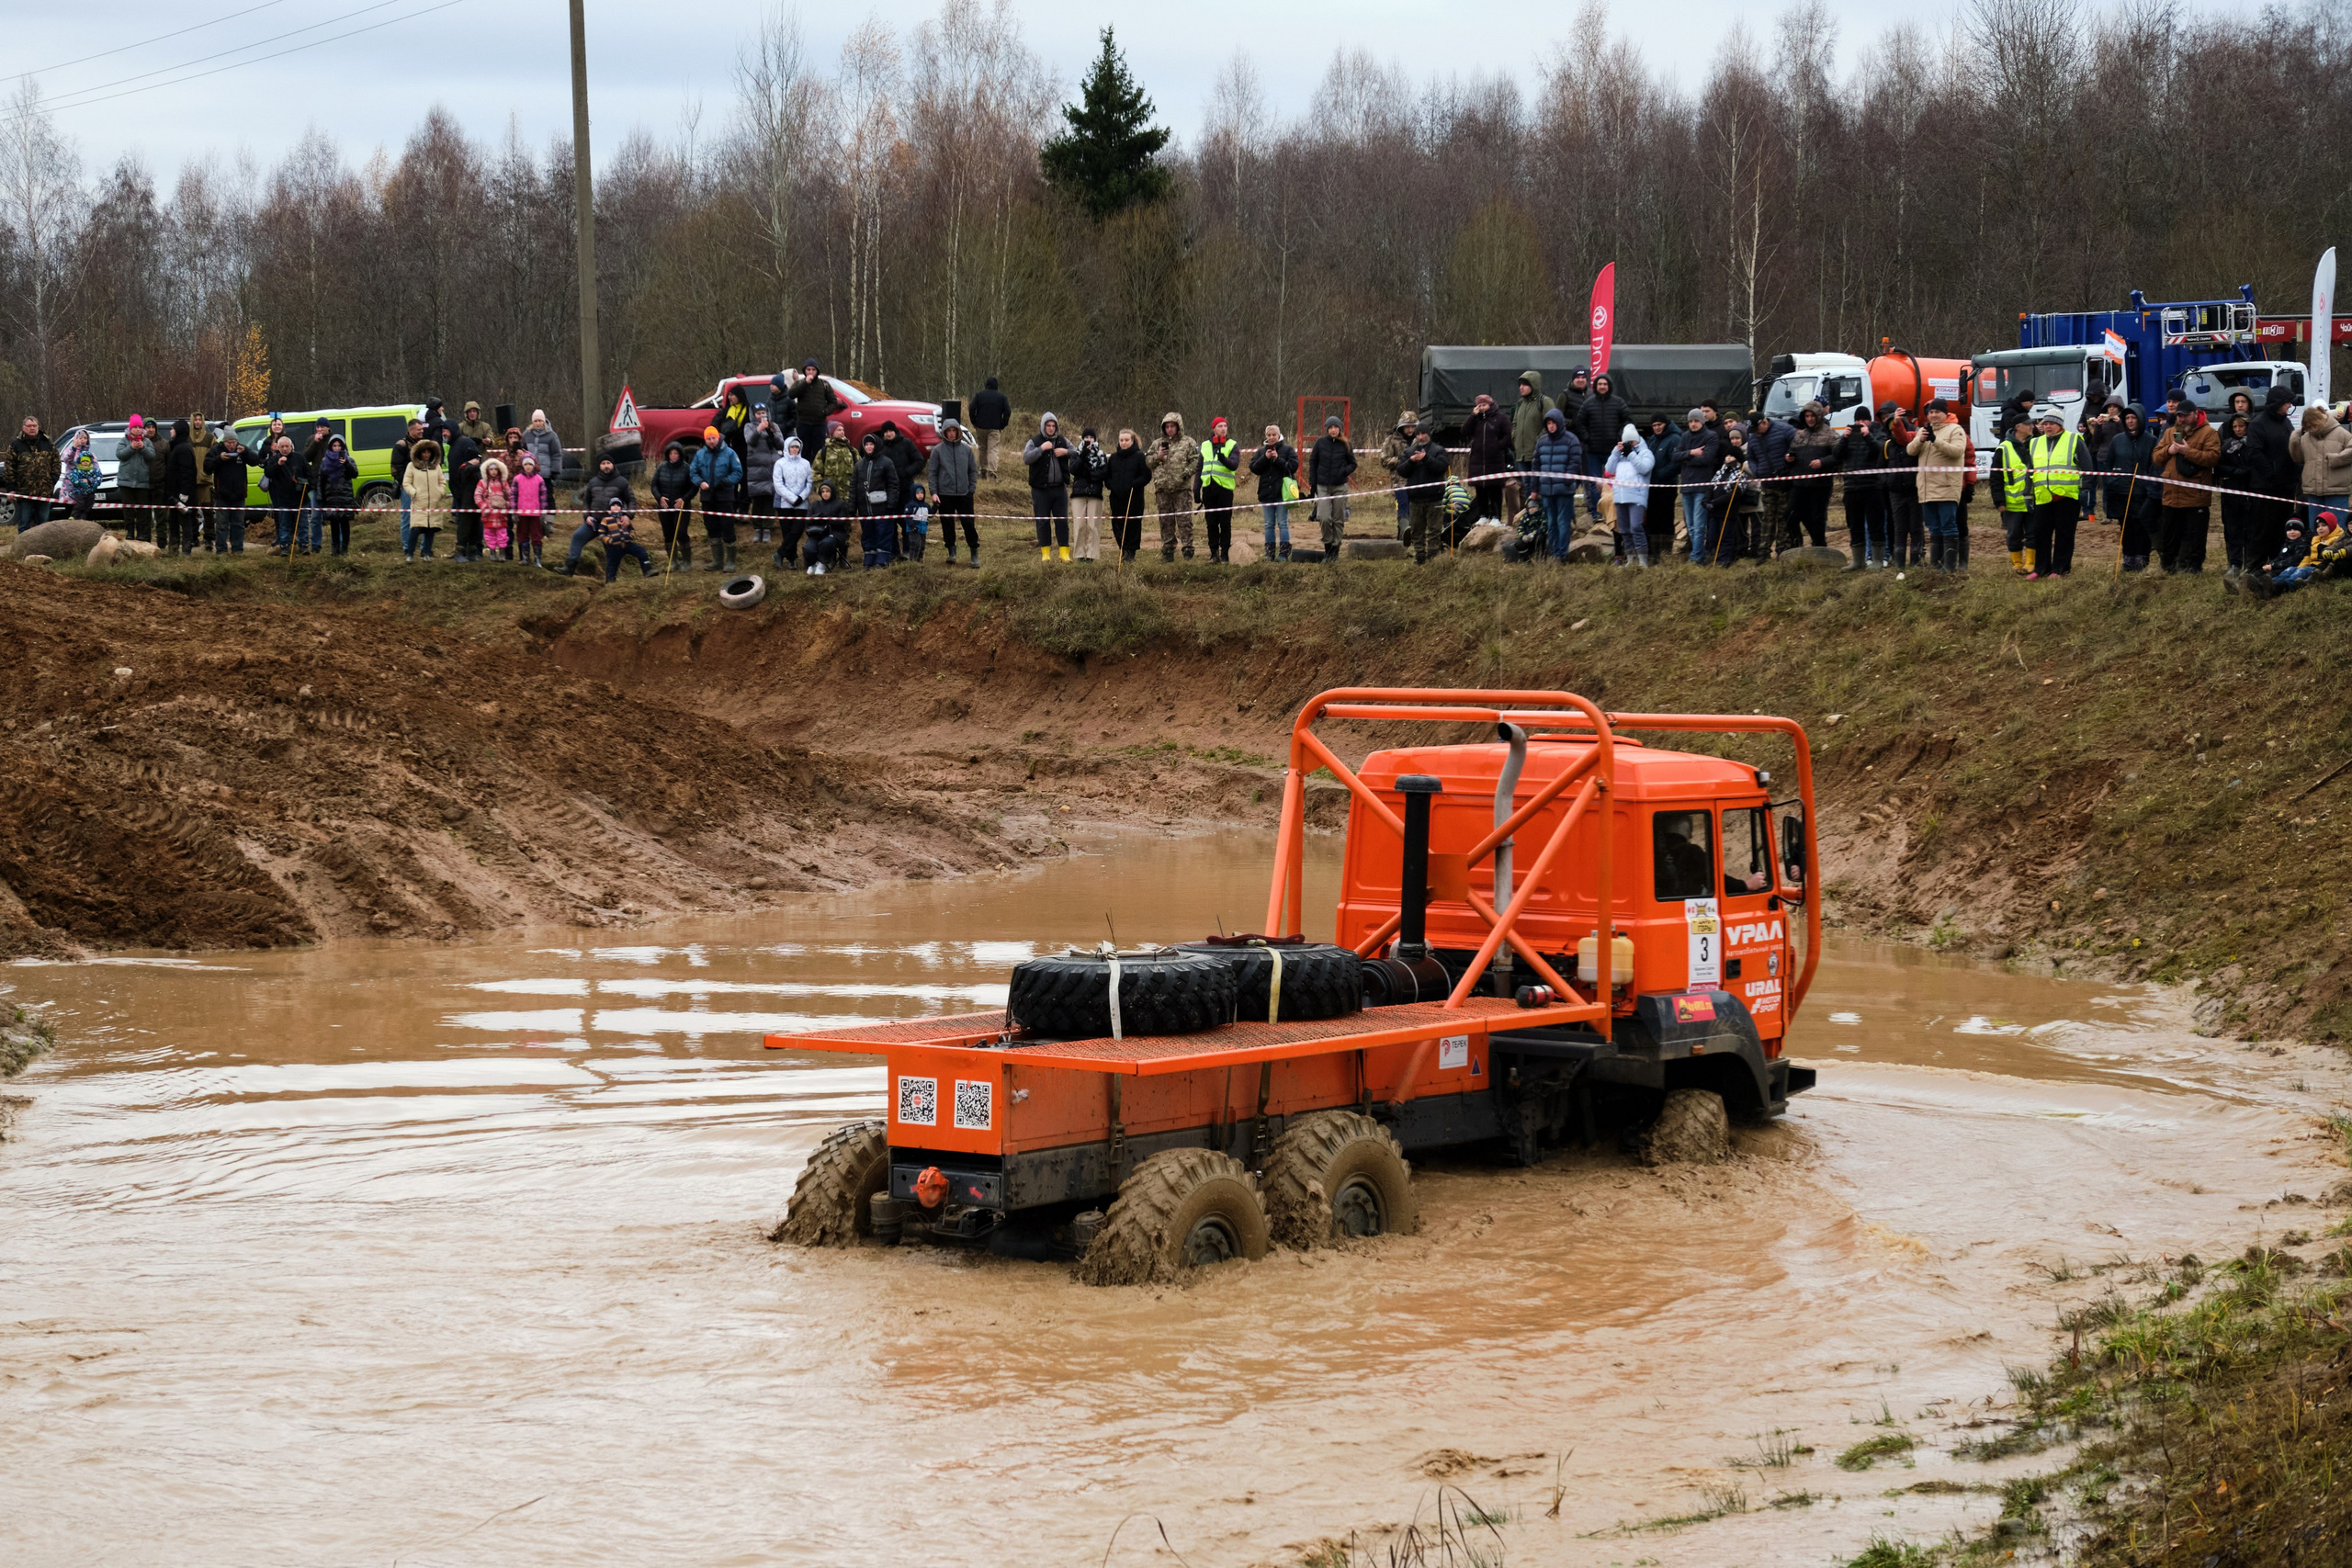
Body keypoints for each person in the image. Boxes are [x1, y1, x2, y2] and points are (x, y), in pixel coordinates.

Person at [2150, 395, 2219, 574]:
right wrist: (2169, 450)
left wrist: (2188, 452)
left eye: (2185, 415)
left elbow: (2212, 458)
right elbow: (2156, 458)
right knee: (2170, 535)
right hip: (2172, 495)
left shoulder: (2209, 433)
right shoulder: (2169, 432)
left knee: (2195, 536)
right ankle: (2168, 567)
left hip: (2196, 496)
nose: (2181, 419)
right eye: (2179, 416)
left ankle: (2194, 568)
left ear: (2196, 414)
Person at [1906, 400, 1969, 571]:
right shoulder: (1923, 431)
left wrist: (1936, 441)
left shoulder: (1955, 430)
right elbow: (1910, 450)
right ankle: (1936, 564)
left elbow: (1957, 451)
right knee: (1933, 527)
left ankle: (1949, 566)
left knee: (1948, 525)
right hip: (1926, 488)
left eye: (1937, 412)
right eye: (1930, 412)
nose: (1933, 415)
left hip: (1946, 487)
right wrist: (1921, 439)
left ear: (1945, 413)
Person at [2028, 409, 2087, 580]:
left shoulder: (2074, 440)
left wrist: (2085, 492)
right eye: (2045, 423)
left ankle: (2060, 569)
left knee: (2064, 534)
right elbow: (2029, 471)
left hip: (2067, 497)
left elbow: (2087, 467)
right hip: (2043, 496)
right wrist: (2027, 494)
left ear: (2060, 425)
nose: (2047, 427)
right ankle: (2041, 569)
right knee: (2041, 534)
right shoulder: (2034, 443)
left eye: (2051, 423)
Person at [2246, 386, 2299, 568]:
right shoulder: (2257, 424)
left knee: (2281, 528)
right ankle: (2254, 567)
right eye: (2287, 402)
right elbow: (2254, 453)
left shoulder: (2286, 422)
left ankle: (2277, 566)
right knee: (2262, 530)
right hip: (2265, 488)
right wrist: (2272, 473)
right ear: (2278, 403)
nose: (2289, 406)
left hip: (2286, 486)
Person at [2244, 509, 2347, 598]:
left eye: (2324, 525)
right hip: (2308, 565)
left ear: (2332, 525)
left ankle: (2279, 588)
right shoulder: (2315, 539)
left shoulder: (2336, 540)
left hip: (2319, 568)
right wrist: (2300, 566)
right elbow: (2307, 557)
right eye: (2318, 526)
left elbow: (2330, 558)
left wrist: (2311, 569)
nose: (2320, 528)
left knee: (2298, 574)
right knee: (2290, 570)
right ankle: (2265, 585)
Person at [560, 454, 636, 575]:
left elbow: (631, 500)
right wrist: (587, 516)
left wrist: (628, 515)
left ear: (612, 464)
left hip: (612, 524)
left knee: (611, 550)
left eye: (608, 463)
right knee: (577, 536)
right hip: (594, 522)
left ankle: (611, 580)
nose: (606, 466)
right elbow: (586, 502)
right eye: (603, 463)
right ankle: (569, 568)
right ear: (599, 466)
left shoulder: (622, 482)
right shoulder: (593, 482)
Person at [1570, 372, 1628, 526]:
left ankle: (1614, 511)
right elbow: (1579, 423)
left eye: (1605, 384)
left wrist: (1620, 436)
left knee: (1614, 482)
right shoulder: (1588, 403)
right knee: (1594, 483)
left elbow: (1627, 421)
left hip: (1613, 451)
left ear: (1609, 386)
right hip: (1593, 451)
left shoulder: (1619, 402)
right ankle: (1596, 513)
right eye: (1600, 384)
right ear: (1595, 386)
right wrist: (1587, 438)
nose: (1602, 387)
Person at [690, 423, 745, 572]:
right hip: (707, 497)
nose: (711, 441)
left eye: (713, 438)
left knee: (727, 526)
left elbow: (738, 472)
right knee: (711, 528)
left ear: (718, 437)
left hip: (725, 495)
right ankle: (717, 561)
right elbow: (693, 472)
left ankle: (731, 562)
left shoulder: (730, 453)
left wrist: (726, 481)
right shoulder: (700, 454)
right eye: (708, 439)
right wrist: (700, 482)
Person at [2289, 402, 2352, 531]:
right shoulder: (2306, 437)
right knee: (2316, 529)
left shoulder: (2341, 433)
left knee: (2338, 530)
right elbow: (2298, 458)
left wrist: (2336, 459)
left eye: (2312, 426)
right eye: (2308, 428)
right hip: (2313, 491)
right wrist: (2294, 439)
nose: (2310, 430)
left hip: (2337, 490)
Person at [2215, 412, 2263, 581]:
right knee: (2233, 530)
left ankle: (2250, 563)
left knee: (2250, 530)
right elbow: (2219, 466)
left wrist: (2249, 472)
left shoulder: (2254, 444)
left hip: (2251, 491)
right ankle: (2234, 564)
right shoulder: (2227, 445)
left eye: (2241, 426)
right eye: (2235, 426)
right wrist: (2234, 471)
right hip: (2232, 492)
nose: (2238, 429)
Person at [1532, 408, 1583, 562]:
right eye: (1548, 423)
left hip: (1564, 490)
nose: (1551, 426)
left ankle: (1562, 554)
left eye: (1553, 422)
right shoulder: (1541, 441)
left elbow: (1575, 462)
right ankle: (1553, 552)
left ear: (1559, 423)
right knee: (1551, 522)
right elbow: (1536, 466)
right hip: (1547, 490)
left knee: (1563, 523)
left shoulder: (1571, 440)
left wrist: (1567, 480)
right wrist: (1534, 489)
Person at [1783, 402, 1838, 549]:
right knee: (1790, 514)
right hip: (1799, 483)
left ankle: (1820, 546)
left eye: (1812, 415)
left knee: (1817, 518)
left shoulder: (1830, 434)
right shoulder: (1800, 435)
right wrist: (1788, 459)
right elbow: (1791, 454)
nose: (1810, 419)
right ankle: (1797, 545)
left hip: (1820, 484)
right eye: (1807, 416)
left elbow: (1839, 456)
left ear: (1819, 416)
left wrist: (1823, 462)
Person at [924, 418, 978, 564]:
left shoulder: (966, 450)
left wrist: (971, 489)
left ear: (958, 432)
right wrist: (934, 492)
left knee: (968, 524)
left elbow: (973, 470)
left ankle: (974, 552)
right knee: (947, 524)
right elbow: (932, 473)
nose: (952, 433)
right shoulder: (938, 450)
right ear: (945, 433)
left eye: (954, 430)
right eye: (949, 431)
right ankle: (951, 552)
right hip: (944, 494)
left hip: (964, 494)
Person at [1601, 423, 1656, 567]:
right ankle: (1630, 559)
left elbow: (1644, 468)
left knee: (1636, 526)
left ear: (1636, 440)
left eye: (1631, 442)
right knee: (1624, 529)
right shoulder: (1620, 455)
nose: (1629, 444)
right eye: (1627, 442)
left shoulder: (1645, 453)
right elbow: (1609, 469)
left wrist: (1631, 454)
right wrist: (1616, 452)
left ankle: (1643, 560)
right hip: (1620, 496)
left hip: (1637, 495)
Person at [1023, 412, 1074, 561]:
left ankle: (1064, 553)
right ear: (1043, 426)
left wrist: (1066, 452)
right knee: (1043, 521)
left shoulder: (1063, 441)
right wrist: (1041, 449)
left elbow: (1077, 453)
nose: (1051, 428)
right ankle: (1045, 554)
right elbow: (1026, 458)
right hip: (1040, 489)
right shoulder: (1034, 441)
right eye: (1048, 426)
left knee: (1062, 521)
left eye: (1053, 426)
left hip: (1059, 488)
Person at [1876, 402, 1923, 567]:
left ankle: (1917, 560)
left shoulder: (1915, 441)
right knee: (1899, 529)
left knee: (1916, 528)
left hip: (1914, 491)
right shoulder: (1888, 446)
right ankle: (1899, 561)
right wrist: (1888, 482)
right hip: (1895, 493)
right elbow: (1880, 469)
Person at [1674, 408, 1724, 561]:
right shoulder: (1684, 436)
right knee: (1690, 525)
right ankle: (1698, 554)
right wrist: (1691, 453)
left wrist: (1686, 459)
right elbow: (1675, 456)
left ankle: (1696, 556)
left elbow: (1707, 458)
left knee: (1699, 524)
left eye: (1696, 421)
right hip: (1687, 486)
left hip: (1702, 486)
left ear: (1702, 421)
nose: (1693, 424)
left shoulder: (1711, 436)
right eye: (1690, 421)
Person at [1746, 408, 1796, 558]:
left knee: (1782, 517)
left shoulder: (1785, 430)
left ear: (1765, 422)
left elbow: (1797, 447)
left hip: (1784, 483)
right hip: (1767, 484)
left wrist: (1790, 462)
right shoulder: (1753, 438)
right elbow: (1751, 458)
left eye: (1757, 428)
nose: (1755, 432)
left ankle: (1782, 549)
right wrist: (1757, 471)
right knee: (1767, 518)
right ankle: (1763, 551)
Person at [1148, 412, 1199, 560]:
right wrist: (1158, 456)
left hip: (1181, 489)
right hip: (1162, 489)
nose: (1170, 429)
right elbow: (1148, 462)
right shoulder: (1157, 444)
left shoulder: (1188, 442)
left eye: (1172, 426)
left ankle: (1188, 550)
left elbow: (1196, 460)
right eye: (1167, 426)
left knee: (1184, 520)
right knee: (1166, 521)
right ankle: (1168, 551)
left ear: (1178, 426)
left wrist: (1186, 473)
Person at [1396, 430, 1452, 565]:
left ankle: (1433, 556)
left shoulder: (1438, 450)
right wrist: (1411, 461)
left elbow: (1441, 467)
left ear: (1429, 434)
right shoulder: (1409, 452)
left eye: (1423, 433)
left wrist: (1426, 458)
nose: (1421, 437)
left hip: (1434, 497)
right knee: (1416, 530)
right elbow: (1401, 470)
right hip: (1415, 499)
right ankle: (1419, 556)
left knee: (1434, 529)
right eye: (1418, 434)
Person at [1506, 371, 1555, 521]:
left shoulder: (1544, 402)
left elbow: (1551, 423)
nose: (1521, 387)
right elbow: (1514, 424)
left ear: (1534, 385)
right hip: (1521, 454)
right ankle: (1532, 517)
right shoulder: (1520, 404)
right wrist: (1514, 438)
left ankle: (1544, 517)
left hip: (1538, 454)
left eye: (1525, 384)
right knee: (1527, 487)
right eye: (1520, 384)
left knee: (1539, 486)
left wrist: (1538, 441)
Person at [1306, 414, 1354, 561]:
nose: (1333, 430)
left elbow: (1353, 463)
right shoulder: (1320, 443)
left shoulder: (1346, 444)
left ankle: (1335, 551)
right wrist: (1313, 486)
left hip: (1340, 487)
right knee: (1324, 518)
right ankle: (1328, 548)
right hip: (1323, 486)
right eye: (1330, 427)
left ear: (1340, 428)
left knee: (1338, 519)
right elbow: (1313, 463)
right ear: (1326, 429)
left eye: (1336, 427)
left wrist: (1343, 472)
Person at [853, 431, 903, 568]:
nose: (869, 447)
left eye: (871, 444)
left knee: (883, 533)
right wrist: (852, 507)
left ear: (877, 445)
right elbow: (854, 487)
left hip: (882, 507)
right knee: (868, 534)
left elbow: (893, 484)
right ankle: (869, 559)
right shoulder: (859, 465)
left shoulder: (886, 463)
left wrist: (891, 504)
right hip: (865, 508)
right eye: (866, 444)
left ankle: (882, 560)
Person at [1994, 413, 2037, 574]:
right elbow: (1996, 477)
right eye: (2028, 424)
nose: (2032, 426)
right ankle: (2017, 563)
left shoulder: (2036, 444)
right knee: (2013, 534)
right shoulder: (2003, 449)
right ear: (2018, 427)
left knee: (2034, 532)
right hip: (2013, 503)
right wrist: (1999, 501)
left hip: (2034, 499)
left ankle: (2031, 563)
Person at [1249, 424, 1299, 560]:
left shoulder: (1288, 450)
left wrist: (1277, 459)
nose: (1271, 438)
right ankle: (1269, 554)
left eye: (1274, 435)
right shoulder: (1260, 452)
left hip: (1282, 493)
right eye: (1269, 435)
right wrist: (1265, 458)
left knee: (1283, 523)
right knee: (1268, 524)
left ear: (1279, 435)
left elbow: (1293, 467)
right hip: (1266, 493)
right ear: (1266, 437)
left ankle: (1283, 554)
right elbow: (1254, 468)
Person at [1463, 392, 1514, 523]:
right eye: (1479, 405)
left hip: (1495, 461)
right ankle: (1483, 515)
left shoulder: (1501, 418)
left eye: (1484, 405)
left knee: (1495, 489)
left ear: (1490, 405)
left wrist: (1497, 446)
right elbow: (1464, 432)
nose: (1481, 408)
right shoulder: (1476, 420)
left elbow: (1508, 437)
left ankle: (1496, 516)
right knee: (1481, 490)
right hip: (1478, 461)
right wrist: (1472, 416)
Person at [1197, 415, 1240, 563]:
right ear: (1214, 429)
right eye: (1220, 426)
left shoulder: (1232, 444)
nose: (1223, 429)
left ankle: (1225, 554)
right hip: (1208, 488)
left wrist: (1222, 457)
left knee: (1225, 523)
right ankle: (1213, 553)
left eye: (1225, 426)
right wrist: (1196, 488)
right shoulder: (1205, 445)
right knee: (1211, 523)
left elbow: (1234, 465)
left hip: (1225, 490)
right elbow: (1199, 468)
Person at [1106, 428, 1150, 564]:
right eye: (1121, 440)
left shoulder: (1139, 456)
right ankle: (1122, 548)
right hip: (1116, 497)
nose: (1124, 443)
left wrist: (1134, 483)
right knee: (1117, 524)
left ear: (1132, 441)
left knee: (1132, 525)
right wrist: (1111, 485)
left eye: (1126, 440)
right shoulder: (1113, 458)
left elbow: (1146, 476)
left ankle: (1131, 552)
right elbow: (1107, 477)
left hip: (1133, 497)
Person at [649, 440, 695, 568]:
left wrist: (684, 499)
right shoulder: (661, 467)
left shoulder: (687, 468)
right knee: (668, 534)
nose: (673, 455)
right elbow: (654, 485)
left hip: (681, 508)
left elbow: (693, 487)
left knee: (681, 532)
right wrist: (659, 498)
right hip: (664, 507)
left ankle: (686, 561)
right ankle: (672, 561)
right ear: (668, 454)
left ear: (680, 454)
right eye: (671, 453)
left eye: (676, 453)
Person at [6, 417, 57, 532]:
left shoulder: (48, 443)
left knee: (43, 524)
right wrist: (11, 489)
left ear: (38, 427)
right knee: (24, 523)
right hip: (24, 492)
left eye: (34, 426)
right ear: (24, 428)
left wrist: (52, 481)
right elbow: (9, 468)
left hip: (44, 492)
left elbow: (56, 463)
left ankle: (43, 548)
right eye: (29, 426)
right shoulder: (16, 445)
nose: (32, 428)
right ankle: (21, 549)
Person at [745, 406, 786, 546]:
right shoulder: (749, 426)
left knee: (769, 498)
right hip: (755, 468)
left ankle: (768, 528)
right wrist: (759, 429)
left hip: (771, 468)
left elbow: (781, 444)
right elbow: (750, 441)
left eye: (764, 413)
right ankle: (758, 528)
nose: (761, 415)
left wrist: (770, 431)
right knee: (757, 500)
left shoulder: (774, 426)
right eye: (758, 413)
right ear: (753, 414)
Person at [204, 430, 252, 551]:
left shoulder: (242, 449)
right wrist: (219, 459)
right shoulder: (216, 450)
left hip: (240, 495)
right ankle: (221, 550)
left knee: (238, 524)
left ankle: (237, 549)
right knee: (221, 525)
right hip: (222, 495)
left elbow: (255, 461)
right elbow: (207, 468)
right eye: (229, 442)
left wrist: (245, 453)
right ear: (224, 441)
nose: (231, 445)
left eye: (234, 442)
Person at [401, 439, 447, 560]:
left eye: (428, 452)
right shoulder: (411, 466)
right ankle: (410, 554)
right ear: (419, 453)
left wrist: (440, 492)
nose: (426, 455)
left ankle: (426, 553)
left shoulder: (436, 467)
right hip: (419, 503)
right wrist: (413, 493)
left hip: (433, 503)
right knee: (415, 529)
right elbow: (406, 483)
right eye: (424, 452)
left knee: (430, 530)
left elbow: (442, 481)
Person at [772, 434, 814, 568]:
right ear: (787, 448)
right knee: (787, 531)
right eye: (792, 447)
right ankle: (792, 559)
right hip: (785, 503)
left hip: (802, 503)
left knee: (797, 530)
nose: (795, 449)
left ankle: (779, 553)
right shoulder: (780, 463)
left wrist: (801, 497)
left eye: (797, 447)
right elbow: (778, 484)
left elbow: (810, 482)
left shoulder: (806, 463)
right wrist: (791, 498)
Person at [787, 359, 842, 460]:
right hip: (803, 423)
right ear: (805, 371)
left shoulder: (823, 384)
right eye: (808, 369)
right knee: (804, 452)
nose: (811, 372)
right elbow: (791, 394)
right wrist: (805, 383)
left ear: (817, 371)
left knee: (819, 453)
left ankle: (818, 474)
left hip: (819, 424)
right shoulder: (800, 383)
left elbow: (833, 402)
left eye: (813, 369)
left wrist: (824, 412)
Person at [1069, 427, 1110, 562]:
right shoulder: (1076, 453)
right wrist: (1083, 455)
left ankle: (1092, 555)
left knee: (1093, 526)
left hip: (1095, 493)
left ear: (1095, 439)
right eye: (1086, 437)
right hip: (1078, 494)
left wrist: (1090, 475)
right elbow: (1074, 469)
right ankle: (1080, 554)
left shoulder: (1102, 455)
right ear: (1083, 439)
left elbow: (1104, 473)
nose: (1089, 440)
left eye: (1091, 437)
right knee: (1079, 525)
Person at [314, 433, 358, 557]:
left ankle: (345, 548)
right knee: (333, 524)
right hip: (331, 496)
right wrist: (321, 496)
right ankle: (335, 548)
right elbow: (321, 479)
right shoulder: (325, 461)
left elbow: (354, 474)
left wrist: (346, 464)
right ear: (330, 447)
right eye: (334, 446)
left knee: (345, 524)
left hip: (345, 496)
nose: (337, 448)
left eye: (339, 446)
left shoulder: (349, 459)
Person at [1378, 410, 1418, 540]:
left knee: (1414, 508)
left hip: (1416, 479)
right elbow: (1383, 460)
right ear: (1402, 426)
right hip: (1399, 480)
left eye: (1413, 426)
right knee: (1403, 505)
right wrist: (1398, 460)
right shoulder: (1391, 440)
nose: (1410, 429)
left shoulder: (1418, 440)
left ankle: (1407, 536)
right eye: (1408, 426)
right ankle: (1404, 533)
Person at [594, 497, 655, 581]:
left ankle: (647, 570)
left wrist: (631, 536)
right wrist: (608, 540)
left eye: (618, 505)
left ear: (622, 508)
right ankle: (610, 583)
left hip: (628, 544)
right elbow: (601, 532)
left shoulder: (624, 519)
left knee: (641, 551)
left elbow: (631, 529)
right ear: (610, 508)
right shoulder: (606, 519)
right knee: (611, 566)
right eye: (613, 505)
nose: (616, 507)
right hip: (614, 548)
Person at [800, 479, 851, 576]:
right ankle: (812, 564)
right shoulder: (815, 504)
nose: (825, 494)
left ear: (832, 492)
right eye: (823, 492)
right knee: (809, 547)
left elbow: (842, 521)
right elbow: (807, 520)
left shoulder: (840, 504)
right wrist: (816, 518)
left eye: (827, 491)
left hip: (836, 533)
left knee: (825, 543)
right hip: (817, 533)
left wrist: (827, 520)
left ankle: (822, 565)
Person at [116, 416, 153, 542]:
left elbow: (152, 456)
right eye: (135, 427)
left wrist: (143, 448)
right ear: (130, 429)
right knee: (128, 509)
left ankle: (141, 532)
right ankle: (130, 531)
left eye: (139, 427)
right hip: (125, 481)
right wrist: (131, 448)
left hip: (142, 481)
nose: (137, 430)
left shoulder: (147, 442)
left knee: (142, 509)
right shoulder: (123, 441)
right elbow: (120, 455)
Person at [447, 429, 482, 562]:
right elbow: (465, 470)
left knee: (475, 526)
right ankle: (460, 551)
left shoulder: (479, 469)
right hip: (466, 500)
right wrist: (475, 465)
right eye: (475, 458)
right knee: (464, 526)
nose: (476, 460)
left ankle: (472, 551)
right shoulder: (465, 467)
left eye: (477, 458)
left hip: (477, 501)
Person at [391, 418, 424, 558]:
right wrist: (406, 483)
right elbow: (395, 469)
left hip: (423, 487)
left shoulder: (424, 445)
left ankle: (424, 547)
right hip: (407, 487)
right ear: (411, 430)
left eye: (422, 429)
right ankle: (406, 547)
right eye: (419, 430)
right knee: (406, 517)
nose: (422, 431)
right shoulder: (401, 445)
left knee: (423, 516)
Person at [513, 453, 549, 569]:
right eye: (526, 464)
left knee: (536, 536)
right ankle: (525, 557)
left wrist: (543, 511)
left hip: (535, 513)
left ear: (534, 465)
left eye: (530, 464)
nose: (528, 466)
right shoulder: (517, 479)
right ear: (522, 466)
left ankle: (538, 559)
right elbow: (513, 495)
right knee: (522, 535)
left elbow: (543, 497)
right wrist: (514, 511)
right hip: (521, 513)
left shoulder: (539, 479)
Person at [475, 455, 511, 562]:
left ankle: (502, 553)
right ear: (487, 470)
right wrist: (484, 507)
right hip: (488, 515)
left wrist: (507, 505)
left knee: (502, 534)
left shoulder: (504, 483)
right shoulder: (482, 483)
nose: (494, 471)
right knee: (489, 534)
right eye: (491, 469)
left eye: (495, 469)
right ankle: (492, 552)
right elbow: (477, 496)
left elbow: (510, 496)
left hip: (501, 515)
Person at [186, 414, 214, 548]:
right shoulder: (186, 438)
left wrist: (208, 470)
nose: (197, 422)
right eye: (195, 420)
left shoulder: (209, 437)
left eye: (199, 420)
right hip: (190, 480)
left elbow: (216, 454)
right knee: (191, 510)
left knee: (207, 510)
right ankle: (193, 537)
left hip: (205, 480)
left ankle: (208, 538)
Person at [524, 410, 564, 491]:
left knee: (547, 499)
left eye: (540, 421)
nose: (538, 423)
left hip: (545, 474)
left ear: (544, 421)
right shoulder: (526, 435)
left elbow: (556, 454)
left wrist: (555, 471)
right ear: (532, 422)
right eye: (535, 421)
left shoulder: (552, 436)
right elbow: (523, 452)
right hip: (530, 473)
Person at [901, 479, 932, 562]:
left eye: (922, 493)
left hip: (923, 529)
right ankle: (912, 561)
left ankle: (919, 560)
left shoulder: (926, 506)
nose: (920, 495)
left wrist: (936, 506)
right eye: (918, 493)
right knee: (915, 544)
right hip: (913, 529)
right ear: (913, 494)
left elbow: (931, 515)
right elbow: (907, 516)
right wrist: (912, 526)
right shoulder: (910, 505)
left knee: (922, 546)